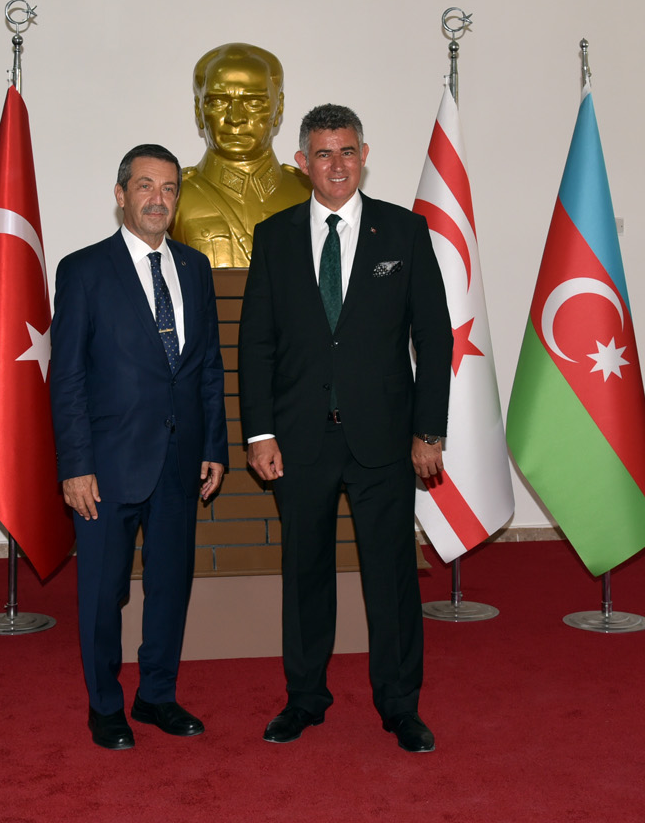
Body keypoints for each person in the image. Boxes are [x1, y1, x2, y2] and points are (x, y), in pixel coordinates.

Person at [238, 103, 452, 753]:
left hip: (383, 440)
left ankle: (400, 706)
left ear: (364, 155)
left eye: (348, 151)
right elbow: (256, 344)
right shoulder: (274, 237)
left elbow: (434, 338)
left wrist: (429, 431)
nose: (337, 165)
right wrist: (259, 433)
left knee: (390, 576)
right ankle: (305, 699)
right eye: (324, 153)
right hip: (298, 440)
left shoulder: (404, 232)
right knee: (304, 573)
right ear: (302, 162)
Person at [50, 144, 228, 750]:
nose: (158, 198)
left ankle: (157, 696)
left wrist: (213, 444)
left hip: (180, 463)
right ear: (121, 193)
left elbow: (207, 367)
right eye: (146, 186)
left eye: (169, 188)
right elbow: (67, 378)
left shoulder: (195, 268)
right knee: (103, 594)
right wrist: (76, 465)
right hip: (106, 467)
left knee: (170, 587)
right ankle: (104, 705)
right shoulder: (83, 270)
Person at [172, 43, 312, 267]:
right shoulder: (175, 196)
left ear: (278, 109)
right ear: (199, 111)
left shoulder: (308, 193)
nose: (235, 118)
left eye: (254, 103)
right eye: (218, 102)